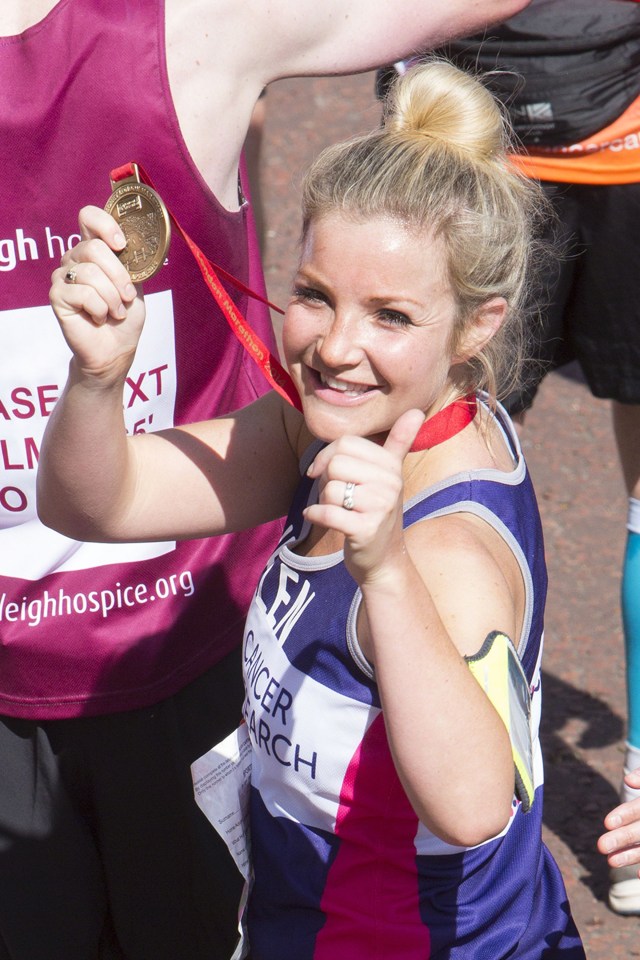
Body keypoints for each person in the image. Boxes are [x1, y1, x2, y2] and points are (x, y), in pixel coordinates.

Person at [0, 3, 533, 958]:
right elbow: (97, 501)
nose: (337, 348)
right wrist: (96, 379)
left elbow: (472, 806)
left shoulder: (444, 552)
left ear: (481, 324)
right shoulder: (320, 431)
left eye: (391, 317)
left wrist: (390, 573)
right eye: (318, 296)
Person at [378, 0, 640, 915]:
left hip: (627, 140)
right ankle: (365, 766)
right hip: (457, 139)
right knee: (413, 462)